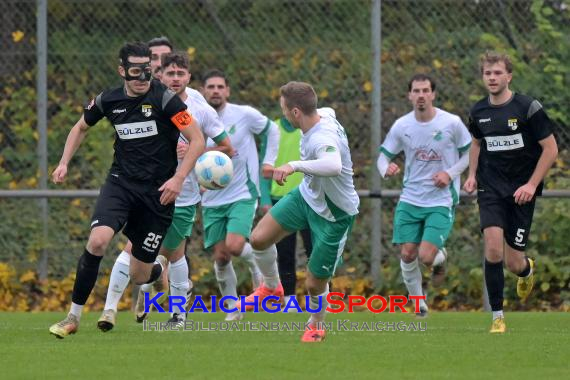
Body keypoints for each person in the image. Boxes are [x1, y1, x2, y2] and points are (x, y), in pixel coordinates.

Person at [48, 41, 205, 339]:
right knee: (97, 242)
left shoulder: (168, 101)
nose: (143, 77)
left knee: (138, 276)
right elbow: (80, 127)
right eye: (136, 71)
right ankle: (73, 317)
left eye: (148, 70)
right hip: (120, 184)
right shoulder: (108, 100)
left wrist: (179, 178)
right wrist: (64, 162)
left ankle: (156, 271)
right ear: (122, 70)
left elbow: (197, 139)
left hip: (157, 195)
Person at [97, 52, 233, 330]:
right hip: (146, 191)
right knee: (132, 247)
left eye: (180, 74)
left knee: (174, 254)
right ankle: (109, 310)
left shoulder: (201, 109)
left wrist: (198, 150)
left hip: (183, 195)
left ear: (189, 78)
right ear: (160, 75)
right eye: (169, 73)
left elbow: (228, 147)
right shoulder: (148, 100)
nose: (174, 79)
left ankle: (178, 316)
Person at [239, 81, 359, 343]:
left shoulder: (321, 137)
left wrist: (293, 165)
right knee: (259, 239)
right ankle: (271, 287)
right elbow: (329, 112)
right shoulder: (323, 113)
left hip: (335, 214)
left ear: (295, 112)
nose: (282, 114)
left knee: (314, 284)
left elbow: (334, 165)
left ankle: (316, 324)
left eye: (284, 109)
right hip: (307, 197)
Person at [464, 51, 558, 333]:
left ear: (509, 76)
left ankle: (526, 270)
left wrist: (531, 184)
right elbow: (476, 144)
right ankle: (497, 317)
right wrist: (470, 176)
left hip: (520, 191)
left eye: (497, 73)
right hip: (490, 186)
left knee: (513, 260)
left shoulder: (529, 108)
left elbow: (551, 149)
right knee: (492, 247)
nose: (492, 78)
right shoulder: (478, 112)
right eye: (487, 73)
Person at [377, 74, 471, 318]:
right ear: (409, 95)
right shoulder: (402, 125)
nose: (421, 95)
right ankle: (419, 304)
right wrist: (385, 168)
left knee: (425, 256)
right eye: (416, 91)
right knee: (407, 253)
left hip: (440, 200)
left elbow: (470, 154)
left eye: (425, 90)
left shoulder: (451, 123)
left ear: (433, 94)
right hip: (410, 198)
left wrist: (449, 174)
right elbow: (383, 155)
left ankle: (439, 259)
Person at [200, 69, 280, 321]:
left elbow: (272, 130)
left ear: (228, 91)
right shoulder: (194, 118)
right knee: (221, 257)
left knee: (235, 246)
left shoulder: (244, 115)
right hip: (211, 198)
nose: (215, 91)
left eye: (220, 86)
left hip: (242, 193)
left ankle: (261, 271)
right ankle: (233, 308)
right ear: (203, 91)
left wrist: (268, 161)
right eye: (210, 86)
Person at [259, 116, 313, 306]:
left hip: (309, 200)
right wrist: (265, 198)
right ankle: (289, 300)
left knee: (315, 251)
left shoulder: (312, 128)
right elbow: (264, 165)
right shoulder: (273, 129)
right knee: (284, 253)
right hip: (280, 201)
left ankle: (320, 299)